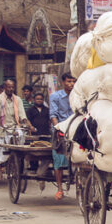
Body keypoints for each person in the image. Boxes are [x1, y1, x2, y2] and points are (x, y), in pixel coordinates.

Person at [0, 79, 34, 180]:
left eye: (12, 87)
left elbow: (22, 113)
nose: (10, 89)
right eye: (8, 87)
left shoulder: (17, 99)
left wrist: (24, 122)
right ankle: (0, 170)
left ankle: (18, 162)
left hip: (15, 126)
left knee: (21, 137)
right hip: (2, 127)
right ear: (5, 88)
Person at [49, 71, 76, 200]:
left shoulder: (78, 96)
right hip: (59, 130)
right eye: (69, 81)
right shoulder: (55, 96)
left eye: (73, 81)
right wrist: (59, 128)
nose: (71, 84)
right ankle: (60, 189)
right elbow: (53, 115)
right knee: (59, 160)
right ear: (63, 82)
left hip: (75, 129)